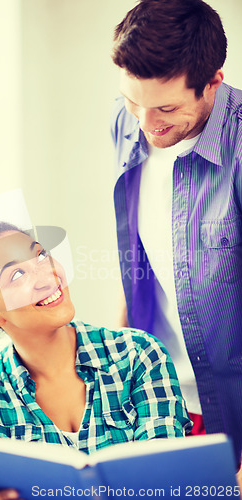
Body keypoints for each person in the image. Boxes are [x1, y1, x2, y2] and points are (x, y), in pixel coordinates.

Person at [0, 220, 190, 500]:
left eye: (40, 255)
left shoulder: (139, 353)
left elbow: (165, 469)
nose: (47, 275)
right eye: (16, 274)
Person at [110, 0, 242, 469]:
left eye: (166, 107)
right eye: (132, 102)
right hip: (158, 403)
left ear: (213, 81)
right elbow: (140, 256)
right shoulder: (127, 124)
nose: (146, 124)